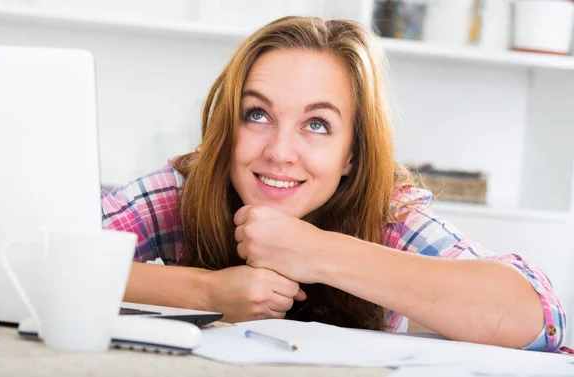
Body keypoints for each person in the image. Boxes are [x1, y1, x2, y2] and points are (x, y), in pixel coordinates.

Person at [101, 16, 566, 352]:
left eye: (317, 124)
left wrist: (316, 251)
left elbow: (540, 318)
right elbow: (43, 254)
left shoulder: (385, 214)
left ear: (352, 153)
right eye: (257, 115)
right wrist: (208, 293)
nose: (280, 152)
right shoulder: (189, 188)